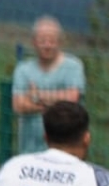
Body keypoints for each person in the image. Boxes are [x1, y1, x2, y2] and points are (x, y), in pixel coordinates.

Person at [11, 16, 86, 154]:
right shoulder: (22, 70)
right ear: (34, 42)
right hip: (30, 150)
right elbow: (19, 105)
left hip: (67, 150)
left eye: (52, 41)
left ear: (60, 42)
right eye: (42, 41)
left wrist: (36, 96)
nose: (47, 45)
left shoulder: (73, 66)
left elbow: (72, 99)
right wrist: (58, 105)